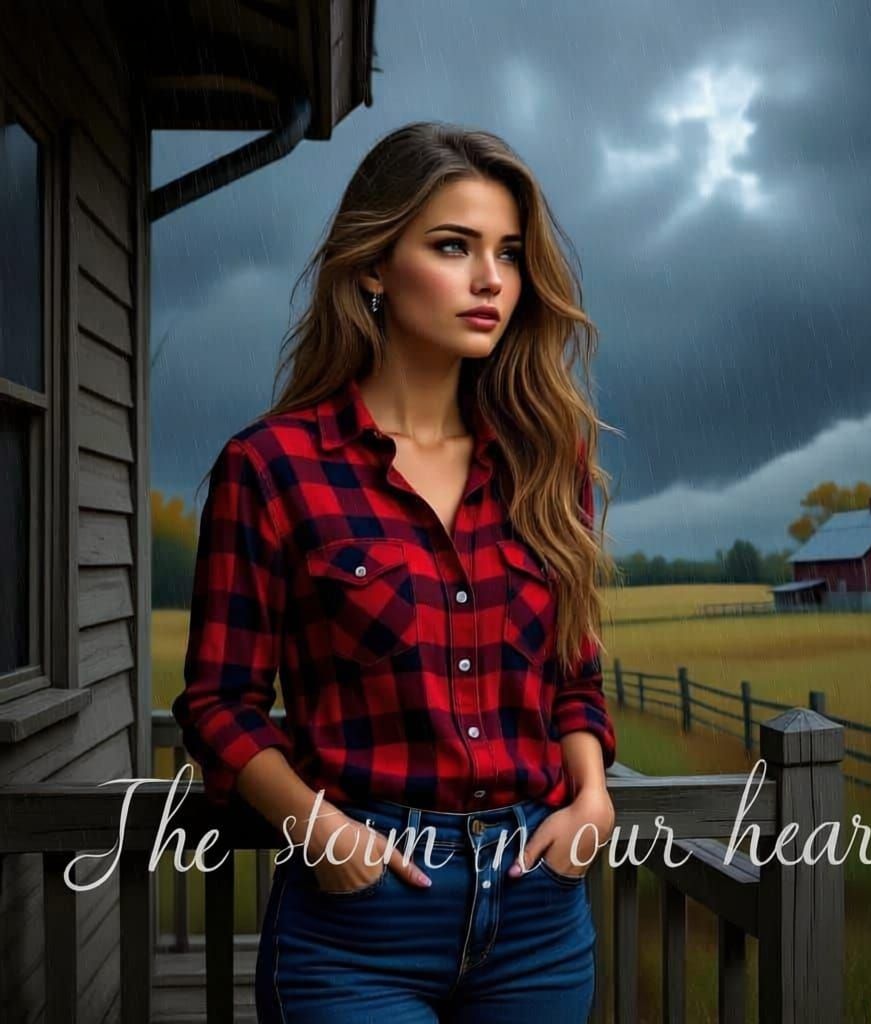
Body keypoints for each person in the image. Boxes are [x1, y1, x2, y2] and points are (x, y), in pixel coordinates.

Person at [171, 120, 620, 1023]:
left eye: (509, 253)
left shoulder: (543, 460)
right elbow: (219, 706)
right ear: (375, 265)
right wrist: (318, 830)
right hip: (360, 923)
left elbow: (573, 673)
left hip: (538, 908)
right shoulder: (275, 467)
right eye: (453, 246)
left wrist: (594, 803)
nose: (490, 280)